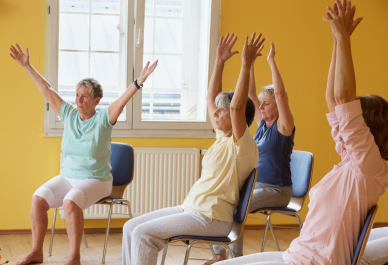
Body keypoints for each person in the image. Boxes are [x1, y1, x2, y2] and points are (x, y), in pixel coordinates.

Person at [215, 0, 388, 264]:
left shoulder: (368, 166)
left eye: (354, 117)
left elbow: (343, 96)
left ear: (366, 129)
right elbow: (334, 100)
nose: (346, 118)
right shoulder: (352, 160)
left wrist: (345, 38)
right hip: (297, 254)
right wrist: (337, 40)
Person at [121, 32, 263, 265]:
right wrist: (219, 62)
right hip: (191, 208)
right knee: (130, 227)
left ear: (237, 118)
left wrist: (246, 64)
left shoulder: (244, 146)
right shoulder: (222, 137)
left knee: (143, 235)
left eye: (222, 111)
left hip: (213, 217)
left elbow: (237, 107)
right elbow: (210, 99)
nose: (215, 114)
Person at [9, 44, 157, 265]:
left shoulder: (104, 119)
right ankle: (36, 251)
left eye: (85, 97)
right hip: (68, 177)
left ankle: (74, 257)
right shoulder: (69, 114)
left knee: (70, 201)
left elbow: (123, 100)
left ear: (97, 101)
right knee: (38, 199)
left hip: (97, 180)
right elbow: (46, 90)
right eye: (77, 95)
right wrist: (27, 66)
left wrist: (139, 81)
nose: (79, 100)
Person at [206, 42, 295, 264]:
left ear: (278, 106)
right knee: (222, 200)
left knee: (238, 206)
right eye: (261, 105)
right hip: (256, 186)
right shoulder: (262, 126)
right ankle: (219, 255)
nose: (261, 107)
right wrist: (251, 63)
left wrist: (271, 61)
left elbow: (281, 94)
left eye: (266, 104)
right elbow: (251, 95)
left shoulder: (284, 127)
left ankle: (235, 259)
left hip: (277, 189)